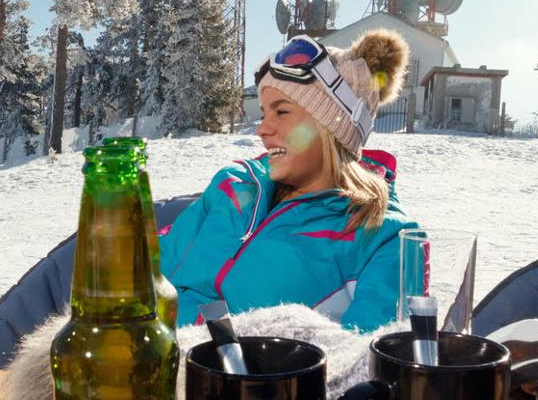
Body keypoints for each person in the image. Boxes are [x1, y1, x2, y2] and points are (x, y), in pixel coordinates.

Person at [159, 30, 418, 332]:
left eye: (281, 111)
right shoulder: (235, 185)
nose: (262, 130)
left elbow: (367, 363)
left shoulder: (385, 239)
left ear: (331, 125)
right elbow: (152, 266)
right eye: (264, 113)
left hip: (239, 375)